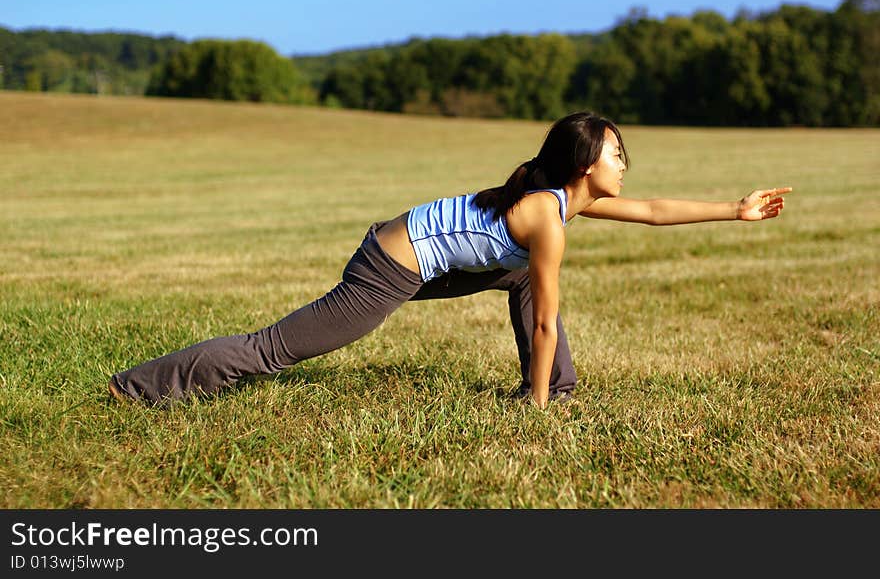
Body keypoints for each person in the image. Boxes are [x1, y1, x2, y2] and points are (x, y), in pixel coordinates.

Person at [108, 112, 791, 408]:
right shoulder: (548, 219)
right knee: (274, 348)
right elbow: (548, 324)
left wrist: (736, 209)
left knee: (518, 274)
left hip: (424, 258)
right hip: (388, 266)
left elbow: (648, 210)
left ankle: (553, 388)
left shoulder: (560, 199)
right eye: (616, 153)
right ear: (586, 162)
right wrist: (540, 411)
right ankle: (136, 387)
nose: (625, 163)